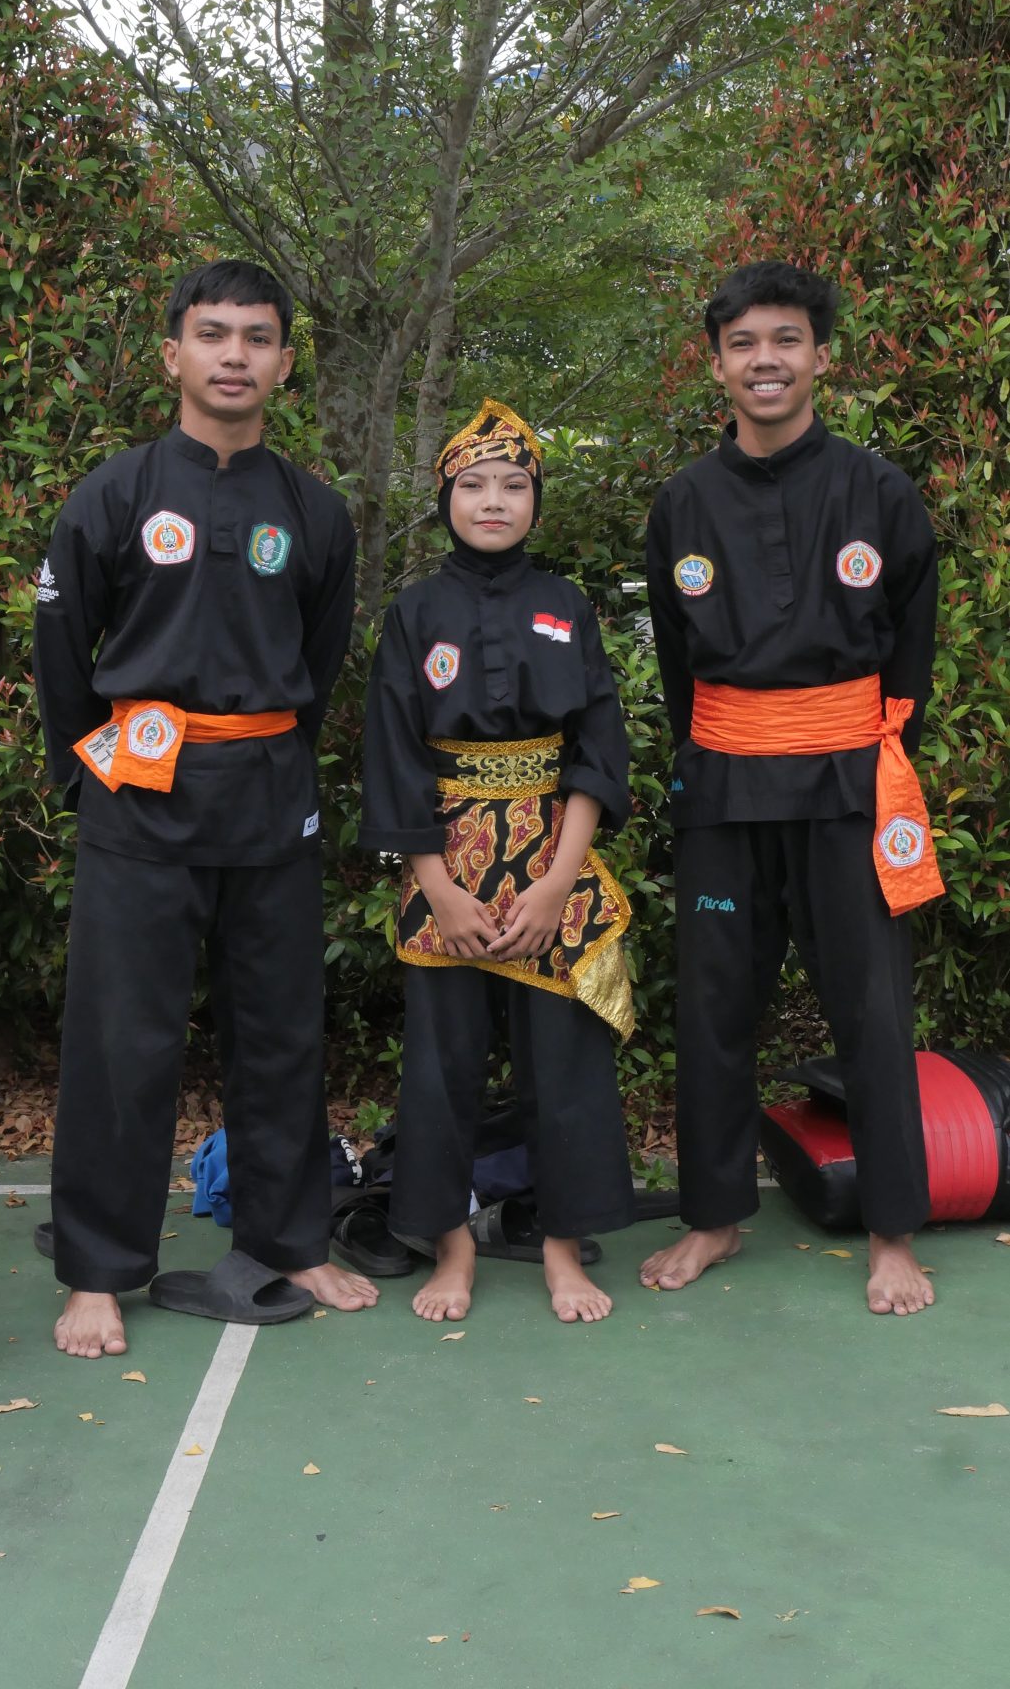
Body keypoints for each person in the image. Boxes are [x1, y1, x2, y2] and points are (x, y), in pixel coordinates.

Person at [34, 258, 378, 1358]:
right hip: (138, 801)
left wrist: (273, 763)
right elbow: (61, 655)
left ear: (284, 361)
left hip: (268, 796)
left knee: (280, 1032)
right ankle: (99, 1270)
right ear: (172, 352)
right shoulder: (115, 494)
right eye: (214, 334)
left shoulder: (313, 512)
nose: (235, 355)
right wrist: (91, 776)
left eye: (258, 337)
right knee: (120, 1043)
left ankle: (291, 1238)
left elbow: (318, 664)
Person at [640, 260, 944, 1318]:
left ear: (820, 355)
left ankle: (893, 1232)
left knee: (871, 1007)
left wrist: (864, 751)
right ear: (716, 364)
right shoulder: (682, 503)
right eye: (742, 344)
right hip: (724, 785)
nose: (763, 361)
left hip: (847, 782)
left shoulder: (876, 491)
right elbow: (678, 666)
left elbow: (911, 647)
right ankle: (714, 1215)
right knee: (714, 1007)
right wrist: (725, 748)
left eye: (784, 340)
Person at [360, 400, 636, 1325]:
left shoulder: (567, 606)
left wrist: (557, 881)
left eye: (513, 485)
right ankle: (453, 1248)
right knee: (441, 1069)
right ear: (445, 499)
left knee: (563, 1065)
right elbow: (392, 752)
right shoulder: (413, 612)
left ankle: (560, 1246)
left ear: (535, 502)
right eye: (473, 485)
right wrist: (435, 886)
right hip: (445, 862)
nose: (492, 501)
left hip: (553, 856)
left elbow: (597, 746)